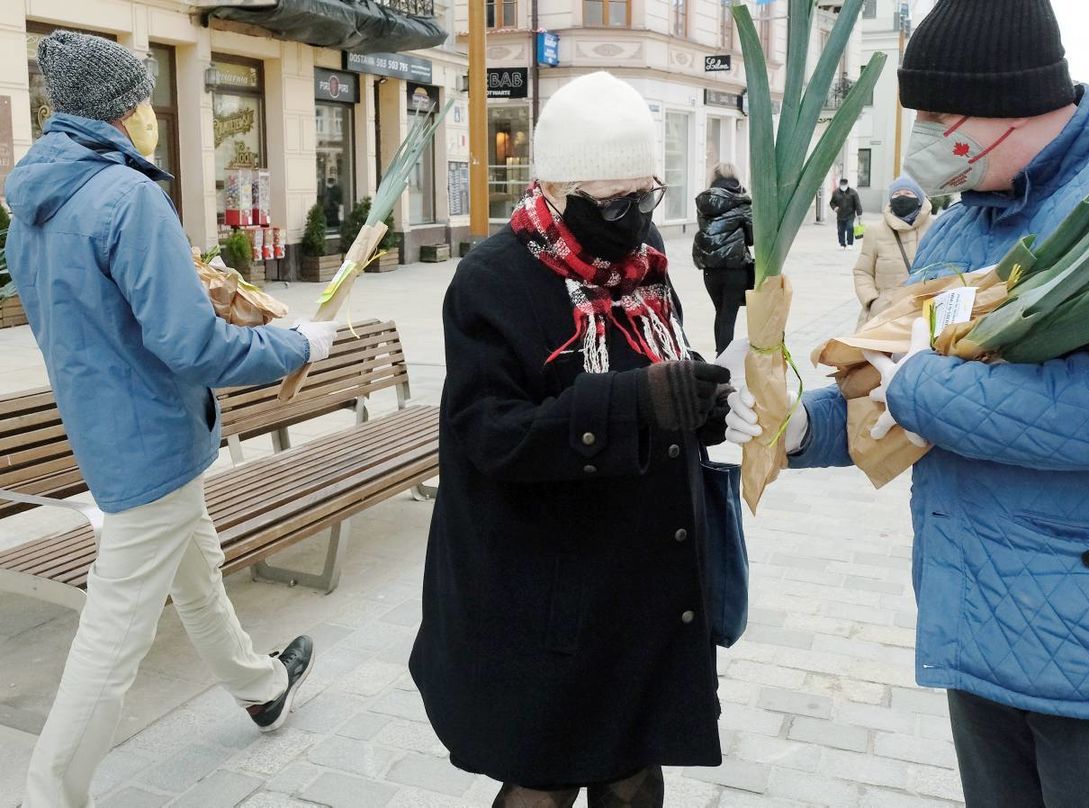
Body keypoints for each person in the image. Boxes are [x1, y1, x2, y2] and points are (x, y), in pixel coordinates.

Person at [725, 1, 1089, 805]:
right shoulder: (958, 230)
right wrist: (801, 425)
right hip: (985, 631)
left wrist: (921, 386)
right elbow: (895, 376)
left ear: (1014, 103)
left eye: (940, 118)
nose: (927, 143)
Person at [6, 31, 339, 808]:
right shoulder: (127, 197)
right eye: (144, 99)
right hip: (151, 436)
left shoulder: (35, 203)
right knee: (115, 631)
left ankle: (260, 688)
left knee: (197, 566)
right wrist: (296, 344)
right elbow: (191, 346)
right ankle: (47, 796)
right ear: (122, 111)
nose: (151, 114)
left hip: (108, 431)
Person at [409, 71, 730, 808]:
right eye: (609, 201)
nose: (631, 216)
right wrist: (638, 402)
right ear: (553, 189)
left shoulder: (644, 260)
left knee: (634, 767)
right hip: (546, 590)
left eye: (644, 195)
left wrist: (700, 409)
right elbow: (490, 435)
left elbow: (662, 373)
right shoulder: (494, 279)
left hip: (642, 578)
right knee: (544, 780)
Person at [853, 176, 933, 326]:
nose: (902, 197)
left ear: (920, 198)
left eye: (908, 194)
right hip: (883, 316)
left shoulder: (936, 228)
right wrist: (872, 301)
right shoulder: (875, 231)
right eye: (896, 194)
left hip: (923, 314)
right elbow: (862, 271)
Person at [692, 162, 754, 353]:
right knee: (728, 315)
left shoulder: (705, 202)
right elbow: (752, 239)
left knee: (720, 313)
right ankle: (724, 363)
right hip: (735, 269)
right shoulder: (742, 202)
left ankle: (720, 358)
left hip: (710, 270)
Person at [829, 177, 862, 250]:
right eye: (842, 184)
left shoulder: (853, 193)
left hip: (850, 214)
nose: (843, 186)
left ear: (847, 185)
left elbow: (857, 204)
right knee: (840, 230)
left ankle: (850, 243)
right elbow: (832, 202)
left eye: (844, 184)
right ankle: (842, 244)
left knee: (850, 227)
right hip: (840, 214)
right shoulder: (836, 192)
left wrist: (859, 214)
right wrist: (834, 208)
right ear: (840, 184)